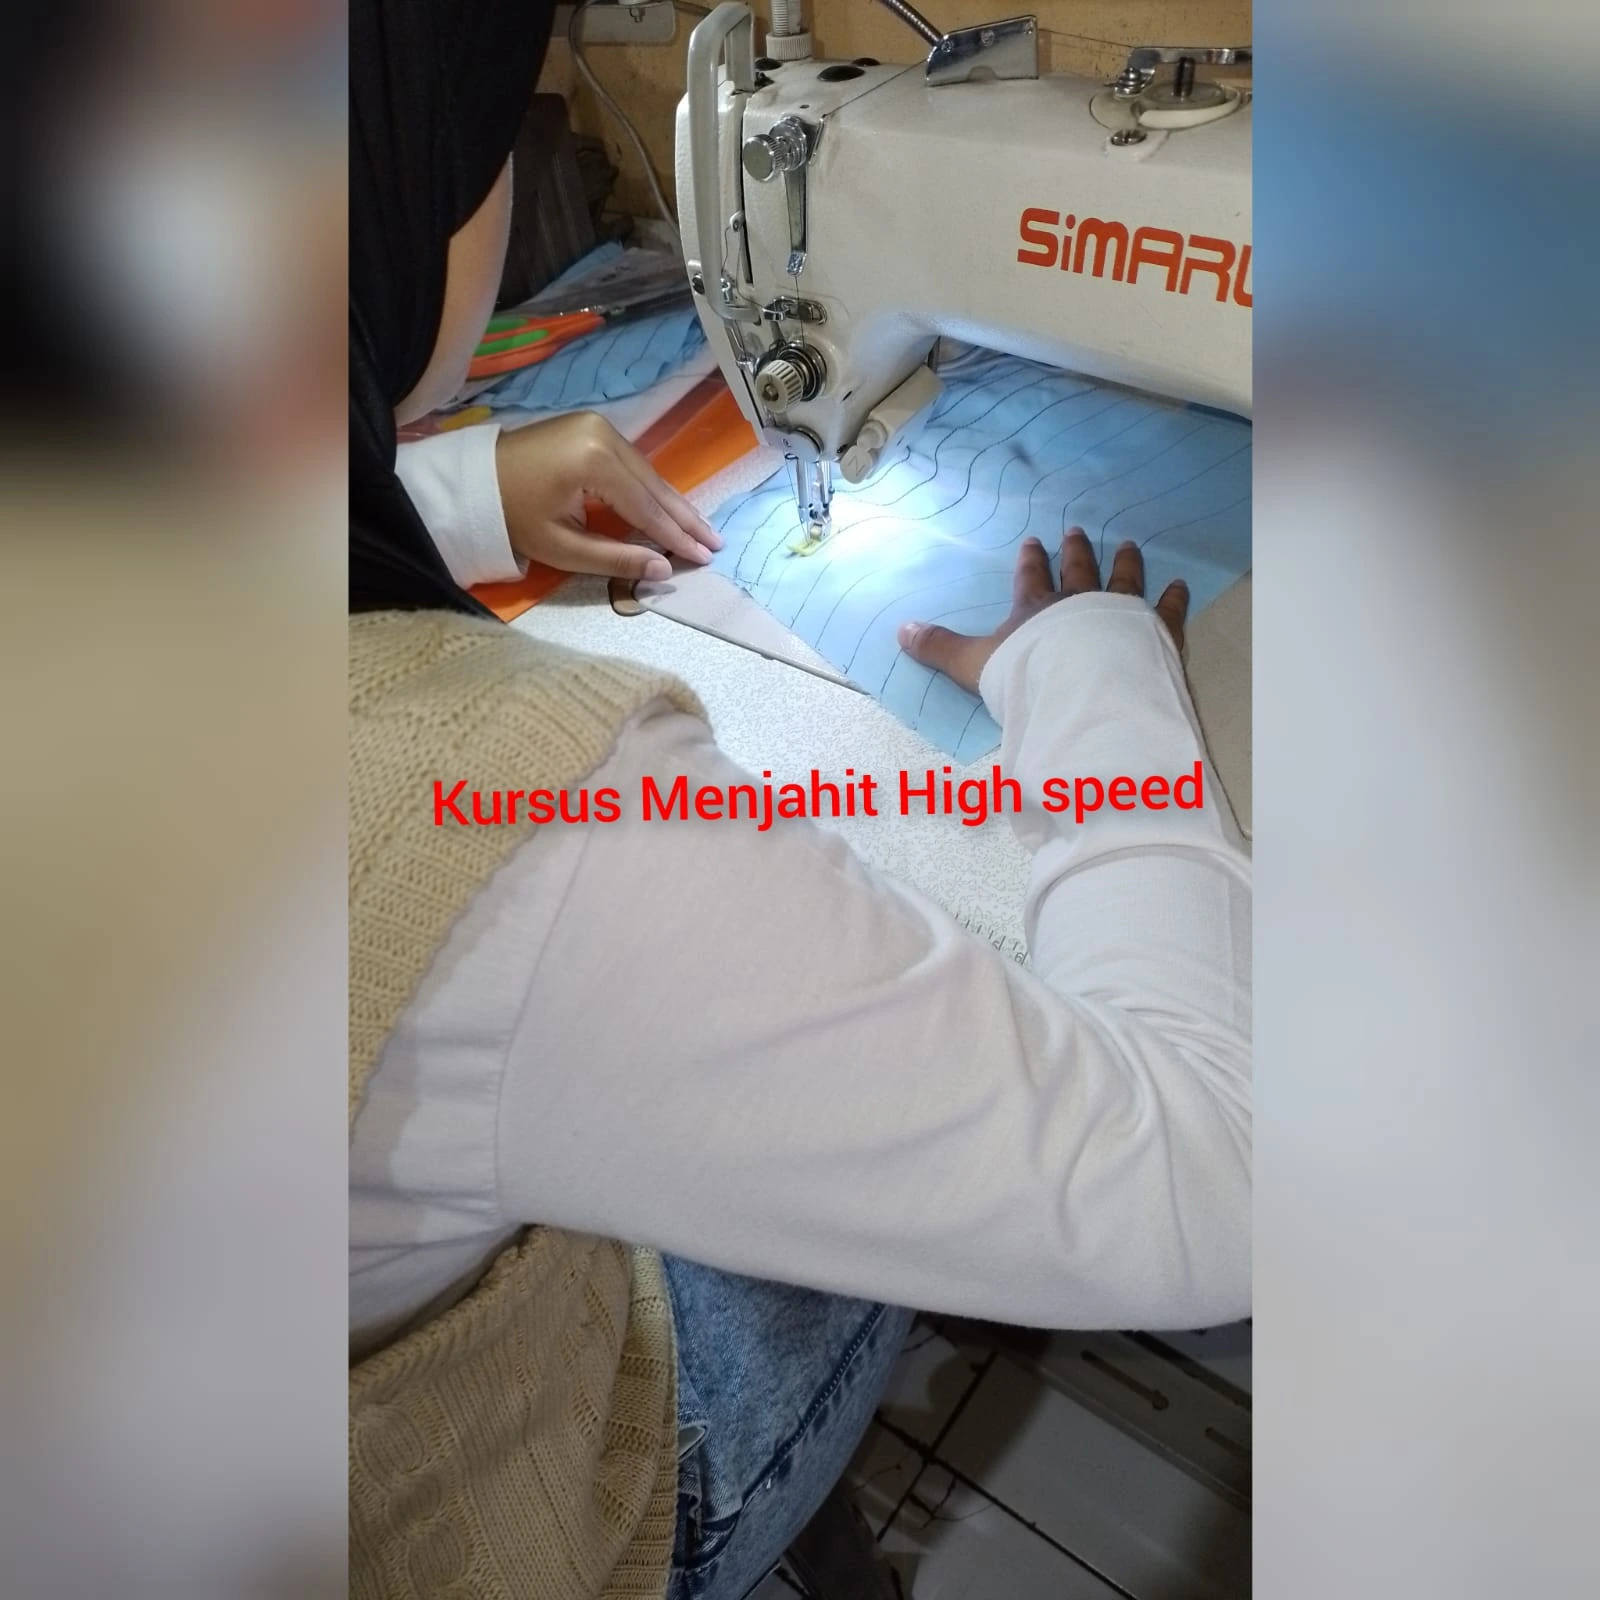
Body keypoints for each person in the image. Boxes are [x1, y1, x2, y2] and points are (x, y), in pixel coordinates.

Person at [347, 3, 1252, 1597]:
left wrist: (455, 489)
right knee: (838, 1196)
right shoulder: (486, 804)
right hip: (427, 1530)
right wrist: (1091, 659)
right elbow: (1201, 1184)